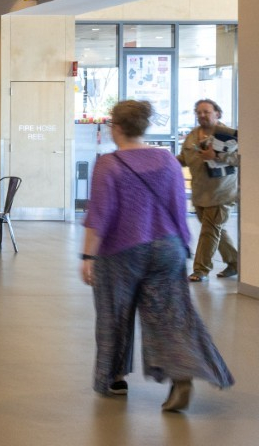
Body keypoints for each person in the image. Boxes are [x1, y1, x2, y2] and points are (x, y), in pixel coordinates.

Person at [82, 100, 233, 410]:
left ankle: (114, 378)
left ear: (116, 128)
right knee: (170, 316)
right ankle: (181, 376)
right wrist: (183, 245)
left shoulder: (109, 164)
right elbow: (179, 207)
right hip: (168, 246)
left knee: (114, 313)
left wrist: (88, 257)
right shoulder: (166, 159)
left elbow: (100, 215)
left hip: (122, 251)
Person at [179, 99, 240, 281]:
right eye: (199, 112)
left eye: (206, 112)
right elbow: (184, 158)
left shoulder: (228, 135)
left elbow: (241, 159)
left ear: (217, 113)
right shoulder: (192, 135)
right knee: (215, 231)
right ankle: (236, 262)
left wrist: (218, 156)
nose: (202, 115)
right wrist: (165, 162)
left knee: (209, 231)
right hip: (200, 193)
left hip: (222, 192)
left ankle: (200, 270)